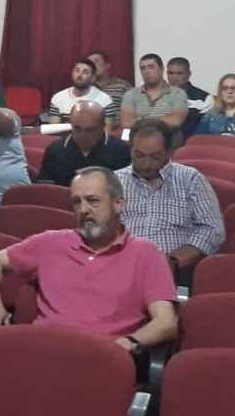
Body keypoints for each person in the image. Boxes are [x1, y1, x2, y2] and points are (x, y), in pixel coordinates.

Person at [0, 167, 178, 350]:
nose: (83, 210)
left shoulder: (146, 253)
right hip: (41, 351)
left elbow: (166, 322)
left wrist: (129, 342)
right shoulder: (50, 243)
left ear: (118, 204)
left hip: (101, 357)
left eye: (93, 201)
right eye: (76, 202)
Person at [117, 119, 225, 286]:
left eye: (155, 156)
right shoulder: (113, 182)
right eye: (139, 155)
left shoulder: (191, 179)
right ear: (130, 149)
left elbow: (212, 230)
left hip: (177, 269)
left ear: (169, 152)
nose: (146, 164)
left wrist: (171, 261)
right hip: (121, 267)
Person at [37, 100, 131, 186]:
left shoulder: (121, 151)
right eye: (77, 128)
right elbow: (46, 190)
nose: (83, 135)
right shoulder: (55, 150)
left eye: (90, 130)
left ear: (103, 126)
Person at [121, 54, 190, 146]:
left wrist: (142, 120)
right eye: (143, 68)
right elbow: (126, 122)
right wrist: (161, 120)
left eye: (151, 67)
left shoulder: (177, 93)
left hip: (168, 142)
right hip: (137, 141)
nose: (146, 72)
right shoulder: (131, 94)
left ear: (161, 69)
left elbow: (175, 121)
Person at [45, 59, 114, 126]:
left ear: (93, 78)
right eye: (77, 70)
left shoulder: (105, 100)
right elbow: (54, 129)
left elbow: (106, 131)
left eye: (85, 72)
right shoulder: (58, 98)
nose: (79, 75)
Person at [166, 57, 212, 138]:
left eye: (179, 73)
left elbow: (205, 129)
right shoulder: (157, 95)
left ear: (188, 74)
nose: (174, 77)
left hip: (192, 142)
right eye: (171, 73)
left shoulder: (204, 99)